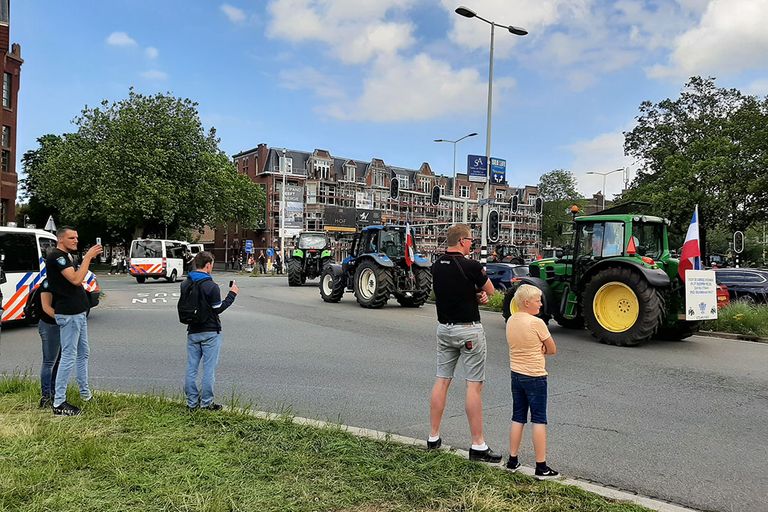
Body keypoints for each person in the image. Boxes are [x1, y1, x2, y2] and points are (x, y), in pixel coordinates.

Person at [428, 224, 500, 463]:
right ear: (461, 241)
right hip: (468, 330)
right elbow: (491, 291)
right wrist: (481, 292)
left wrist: (473, 294)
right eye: (471, 240)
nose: (473, 244)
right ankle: (478, 445)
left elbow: (452, 292)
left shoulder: (436, 265)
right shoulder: (472, 266)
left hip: (444, 329)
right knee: (473, 386)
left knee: (442, 380)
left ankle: (433, 437)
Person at [505, 284, 559, 478]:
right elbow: (552, 349)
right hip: (535, 375)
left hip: (516, 374)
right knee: (538, 418)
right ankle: (541, 466)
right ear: (526, 303)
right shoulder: (537, 323)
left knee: (518, 416)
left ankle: (512, 460)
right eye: (537, 300)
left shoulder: (511, 320)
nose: (541, 303)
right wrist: (540, 350)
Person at [47, 226, 102, 416]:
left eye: (77, 237)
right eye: (72, 238)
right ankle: (59, 403)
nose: (76, 240)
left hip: (77, 313)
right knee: (69, 356)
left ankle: (85, 394)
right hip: (69, 314)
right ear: (60, 239)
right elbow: (76, 280)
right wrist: (88, 258)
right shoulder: (57, 256)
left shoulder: (66, 256)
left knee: (83, 353)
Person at [182, 251, 238, 411]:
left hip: (192, 331)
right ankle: (206, 403)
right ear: (207, 265)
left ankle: (191, 404)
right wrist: (232, 295)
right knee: (208, 369)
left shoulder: (185, 284)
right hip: (210, 331)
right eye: (212, 265)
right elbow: (217, 308)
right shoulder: (211, 286)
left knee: (191, 368)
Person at [37, 279, 60, 408]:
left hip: (59, 326)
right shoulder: (48, 283)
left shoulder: (61, 281)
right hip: (50, 325)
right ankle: (46, 397)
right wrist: (63, 319)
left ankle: (54, 392)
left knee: (57, 362)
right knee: (49, 362)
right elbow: (46, 307)